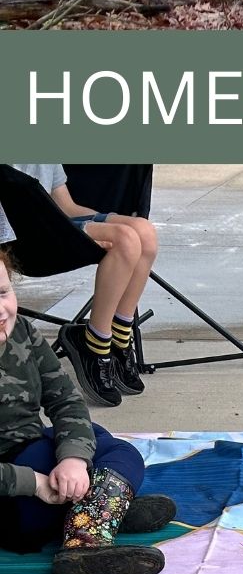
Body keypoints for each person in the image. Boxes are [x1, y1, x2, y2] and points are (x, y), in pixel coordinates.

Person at [0, 248, 175, 574]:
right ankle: (87, 537)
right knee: (109, 453)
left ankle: (96, 511)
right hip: (11, 503)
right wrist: (32, 483)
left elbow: (66, 401)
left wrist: (74, 459)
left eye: (3, 292)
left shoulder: (21, 331)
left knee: (97, 440)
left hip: (30, 453)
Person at [0, 163, 159, 408]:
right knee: (125, 240)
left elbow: (66, 207)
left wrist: (112, 223)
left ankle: (118, 336)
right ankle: (95, 344)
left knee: (143, 233)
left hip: (56, 227)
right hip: (24, 243)